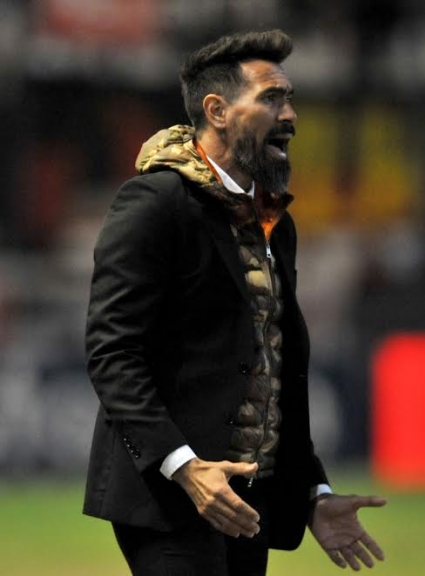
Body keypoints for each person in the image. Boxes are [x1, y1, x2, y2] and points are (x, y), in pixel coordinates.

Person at [83, 29, 386, 576]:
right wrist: (183, 466)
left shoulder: (273, 221)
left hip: (247, 502)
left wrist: (312, 492)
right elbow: (112, 353)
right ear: (217, 111)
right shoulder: (155, 203)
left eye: (289, 98)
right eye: (271, 98)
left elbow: (272, 366)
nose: (289, 115)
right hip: (170, 500)